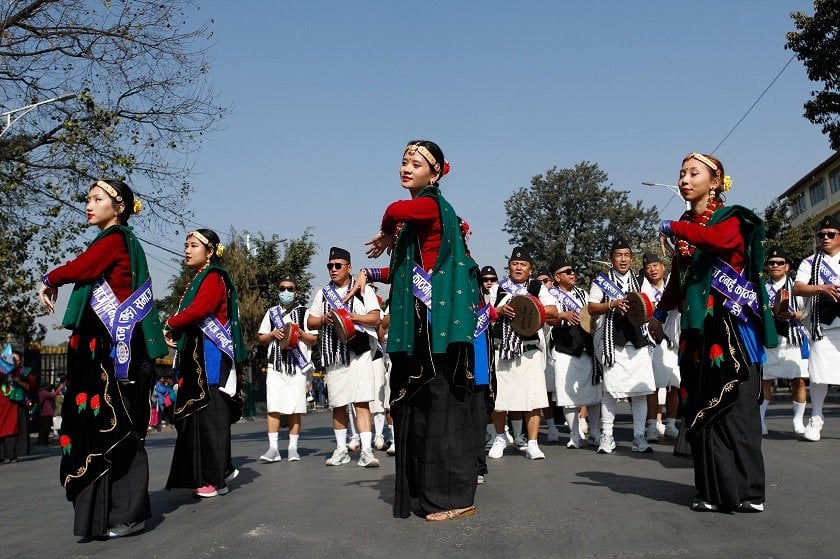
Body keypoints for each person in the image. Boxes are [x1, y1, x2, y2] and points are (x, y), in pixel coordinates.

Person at [359, 140, 484, 521]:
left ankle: (454, 498)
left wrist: (387, 228)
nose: (406, 167)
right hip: (421, 330)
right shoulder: (419, 219)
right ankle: (428, 491)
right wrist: (373, 270)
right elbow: (408, 270)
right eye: (403, 161)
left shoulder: (427, 205)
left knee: (442, 411)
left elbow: (393, 209)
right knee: (420, 410)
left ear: (436, 172)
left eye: (416, 163)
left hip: (435, 333)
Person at [37, 179, 168, 537]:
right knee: (102, 429)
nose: (89, 204)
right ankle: (107, 513)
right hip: (104, 353)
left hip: (116, 354)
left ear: (120, 206)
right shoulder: (108, 241)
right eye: (88, 198)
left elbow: (81, 268)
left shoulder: (115, 240)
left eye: (98, 199)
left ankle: (129, 513)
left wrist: (50, 278)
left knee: (120, 430)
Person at [652, 152, 776, 513]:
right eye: (681, 174)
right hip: (696, 329)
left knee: (736, 409)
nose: (684, 180)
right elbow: (681, 275)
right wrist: (659, 312)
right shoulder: (686, 226)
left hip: (730, 326)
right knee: (701, 409)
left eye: (694, 173)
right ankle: (710, 490)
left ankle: (749, 491)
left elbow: (719, 242)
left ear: (716, 180)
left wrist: (672, 228)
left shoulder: (732, 218)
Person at [164, 229, 247, 498]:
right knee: (200, 418)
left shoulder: (212, 276)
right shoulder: (199, 278)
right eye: (186, 245)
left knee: (211, 418)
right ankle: (213, 473)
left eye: (194, 245)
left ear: (210, 251)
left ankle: (216, 476)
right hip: (198, 357)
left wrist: (171, 323)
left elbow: (201, 310)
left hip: (210, 358)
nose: (187, 250)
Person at [307, 247, 381, 468]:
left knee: (362, 402)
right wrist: (324, 320)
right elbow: (310, 321)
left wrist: (352, 317)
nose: (333, 270)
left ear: (349, 267)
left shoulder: (362, 290)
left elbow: (375, 318)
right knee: (338, 404)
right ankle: (341, 449)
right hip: (335, 354)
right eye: (330, 266)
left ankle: (367, 450)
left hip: (359, 353)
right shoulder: (323, 293)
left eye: (338, 265)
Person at [486, 246, 560, 461]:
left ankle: (533, 443)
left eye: (523, 265)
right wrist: (500, 310)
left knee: (533, 398)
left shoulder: (537, 287)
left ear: (530, 269)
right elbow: (486, 314)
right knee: (499, 398)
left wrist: (528, 306)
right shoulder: (498, 288)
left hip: (529, 350)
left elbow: (553, 312)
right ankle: (500, 437)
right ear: (509, 266)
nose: (518, 267)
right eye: (515, 264)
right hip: (503, 349)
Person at [587, 239, 655, 454]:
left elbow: (651, 305)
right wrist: (611, 304)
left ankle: (639, 437)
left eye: (627, 255)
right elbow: (591, 307)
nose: (623, 259)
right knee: (610, 391)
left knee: (640, 392)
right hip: (612, 343)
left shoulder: (641, 280)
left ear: (631, 258)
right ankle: (607, 436)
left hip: (638, 341)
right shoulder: (602, 281)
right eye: (619, 255)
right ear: (611, 258)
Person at [257, 277, 316, 463]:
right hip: (276, 366)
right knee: (273, 407)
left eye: (290, 289)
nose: (286, 292)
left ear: (296, 292)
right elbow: (261, 337)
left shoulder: (305, 313)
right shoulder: (271, 313)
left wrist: (297, 332)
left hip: (297, 367)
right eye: (282, 288)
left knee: (294, 408)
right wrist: (272, 334)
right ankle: (273, 448)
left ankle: (293, 448)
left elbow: (313, 338)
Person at [546, 256, 602, 449]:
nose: (573, 273)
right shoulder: (550, 295)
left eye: (573, 270)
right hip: (563, 347)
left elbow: (590, 317)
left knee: (594, 391)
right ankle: (574, 434)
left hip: (586, 346)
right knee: (566, 393)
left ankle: (594, 431)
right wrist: (562, 316)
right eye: (567, 271)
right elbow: (547, 318)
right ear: (556, 276)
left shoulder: (582, 293)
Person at [794, 215, 840, 442]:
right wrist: (821, 288)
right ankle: (816, 417)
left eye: (831, 234)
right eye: (822, 235)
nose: (825, 238)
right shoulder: (810, 263)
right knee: (819, 376)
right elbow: (798, 288)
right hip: (823, 327)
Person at [761, 247, 809, 436]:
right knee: (765, 382)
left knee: (798, 380)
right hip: (770, 341)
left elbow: (807, 313)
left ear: (787, 266)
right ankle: (761, 420)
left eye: (780, 262)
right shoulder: (761, 288)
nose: (775, 266)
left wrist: (795, 314)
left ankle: (798, 420)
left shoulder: (797, 287)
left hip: (793, 339)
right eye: (772, 263)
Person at [640, 253, 681, 442]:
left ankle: (671, 423)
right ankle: (652, 426)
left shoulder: (672, 285)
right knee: (654, 386)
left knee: (676, 385)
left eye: (656, 265)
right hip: (654, 342)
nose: (653, 269)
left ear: (663, 268)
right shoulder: (642, 288)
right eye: (648, 267)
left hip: (675, 340)